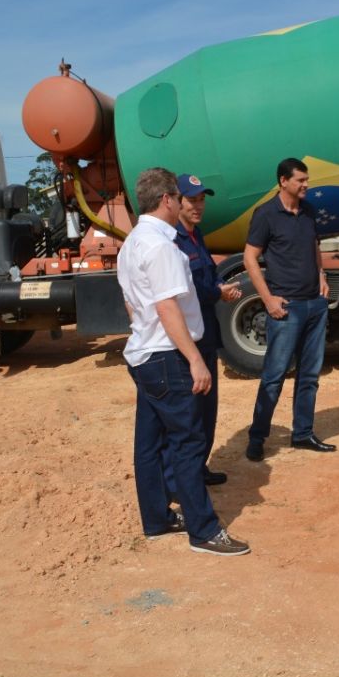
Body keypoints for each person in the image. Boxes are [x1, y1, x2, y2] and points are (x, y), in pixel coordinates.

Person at [117, 167, 249, 556]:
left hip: (146, 352)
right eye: (178, 197)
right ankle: (204, 530)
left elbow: (132, 301)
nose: (183, 203)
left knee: (149, 442)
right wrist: (194, 358)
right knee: (188, 443)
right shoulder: (162, 246)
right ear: (167, 200)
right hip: (168, 356)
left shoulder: (133, 243)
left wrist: (144, 330)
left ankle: (157, 518)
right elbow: (167, 305)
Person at [244, 158, 333, 462]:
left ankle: (303, 433)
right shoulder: (266, 214)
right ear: (283, 181)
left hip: (314, 306)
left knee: (309, 375)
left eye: (307, 179)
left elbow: (315, 247)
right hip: (286, 308)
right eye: (300, 180)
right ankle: (257, 437)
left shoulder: (308, 211)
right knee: (274, 375)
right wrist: (268, 299)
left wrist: (321, 275)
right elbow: (250, 258)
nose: (306, 185)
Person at [166, 174, 243, 490]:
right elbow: (184, 290)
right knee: (189, 413)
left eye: (202, 200)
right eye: (192, 200)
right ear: (176, 202)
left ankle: (198, 467)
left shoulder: (197, 236)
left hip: (207, 332)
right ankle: (177, 482)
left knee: (207, 409)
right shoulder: (173, 241)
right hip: (189, 338)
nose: (199, 206)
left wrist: (219, 286)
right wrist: (217, 293)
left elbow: (206, 279)